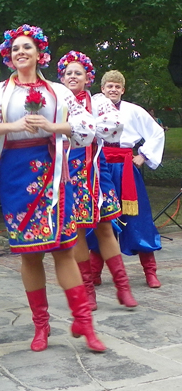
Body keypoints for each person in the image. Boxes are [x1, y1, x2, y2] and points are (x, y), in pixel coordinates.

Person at [0, 24, 106, 353]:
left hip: (54, 172)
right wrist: (12, 126)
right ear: (8, 56)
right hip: (16, 173)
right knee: (30, 255)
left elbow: (87, 125)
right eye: (15, 49)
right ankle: (41, 326)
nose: (21, 53)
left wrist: (54, 126)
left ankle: (84, 322)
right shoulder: (1, 92)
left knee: (63, 248)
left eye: (26, 47)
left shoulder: (58, 91)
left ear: (39, 53)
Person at [57, 51, 137, 310]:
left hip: (96, 170)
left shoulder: (99, 101)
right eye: (68, 72)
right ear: (62, 76)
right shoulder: (56, 101)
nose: (72, 76)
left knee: (105, 227)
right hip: (69, 171)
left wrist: (78, 126)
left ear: (87, 77)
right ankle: (87, 289)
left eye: (77, 73)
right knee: (79, 229)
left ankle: (122, 287)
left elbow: (113, 127)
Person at [90, 70, 164, 289]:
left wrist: (143, 155)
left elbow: (157, 132)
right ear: (102, 88)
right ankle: (94, 273)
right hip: (101, 167)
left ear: (123, 89)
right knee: (102, 219)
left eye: (117, 86)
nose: (113, 89)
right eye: (109, 86)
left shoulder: (134, 110)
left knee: (138, 218)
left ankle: (150, 272)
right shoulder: (92, 107)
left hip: (126, 168)